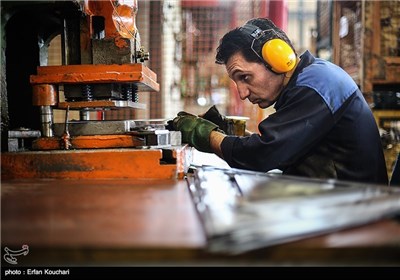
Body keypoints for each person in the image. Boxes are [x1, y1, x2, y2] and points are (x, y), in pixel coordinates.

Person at [171, 17, 388, 185]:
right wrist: (228, 133)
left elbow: (261, 155)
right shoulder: (309, 81)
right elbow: (282, 151)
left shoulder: (316, 86)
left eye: (245, 78)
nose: (243, 93)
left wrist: (205, 134)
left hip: (353, 215)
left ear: (276, 60)